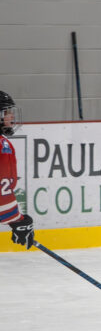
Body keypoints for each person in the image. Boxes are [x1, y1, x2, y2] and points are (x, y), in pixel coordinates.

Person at [0, 91, 34, 250]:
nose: (11, 116)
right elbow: (3, 190)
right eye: (6, 112)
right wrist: (18, 221)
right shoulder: (2, 146)